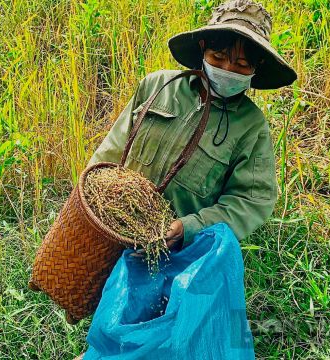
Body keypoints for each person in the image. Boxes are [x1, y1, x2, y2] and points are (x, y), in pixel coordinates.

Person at [75, 0, 297, 358]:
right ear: (202, 50)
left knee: (167, 336)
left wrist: (189, 226)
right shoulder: (157, 87)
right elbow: (111, 151)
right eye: (220, 58)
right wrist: (93, 206)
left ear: (255, 70)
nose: (228, 69)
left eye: (241, 64)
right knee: (112, 321)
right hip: (119, 232)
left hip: (179, 255)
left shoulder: (250, 126)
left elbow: (252, 200)